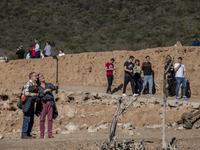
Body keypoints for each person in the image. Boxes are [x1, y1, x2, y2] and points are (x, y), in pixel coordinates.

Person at [36, 74, 59, 138]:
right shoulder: (38, 87)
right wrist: (45, 91)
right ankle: (42, 134)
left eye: (42, 76)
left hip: (50, 103)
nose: (42, 77)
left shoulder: (49, 85)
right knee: (42, 119)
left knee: (50, 119)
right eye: (40, 77)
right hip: (43, 104)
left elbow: (54, 88)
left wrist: (57, 86)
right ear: (38, 79)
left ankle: (49, 134)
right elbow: (39, 95)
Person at [21, 72, 39, 139]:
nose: (36, 77)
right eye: (35, 76)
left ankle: (28, 134)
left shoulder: (34, 84)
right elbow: (26, 93)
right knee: (27, 118)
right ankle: (24, 134)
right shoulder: (28, 84)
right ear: (31, 77)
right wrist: (35, 95)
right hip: (26, 103)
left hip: (31, 103)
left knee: (31, 119)